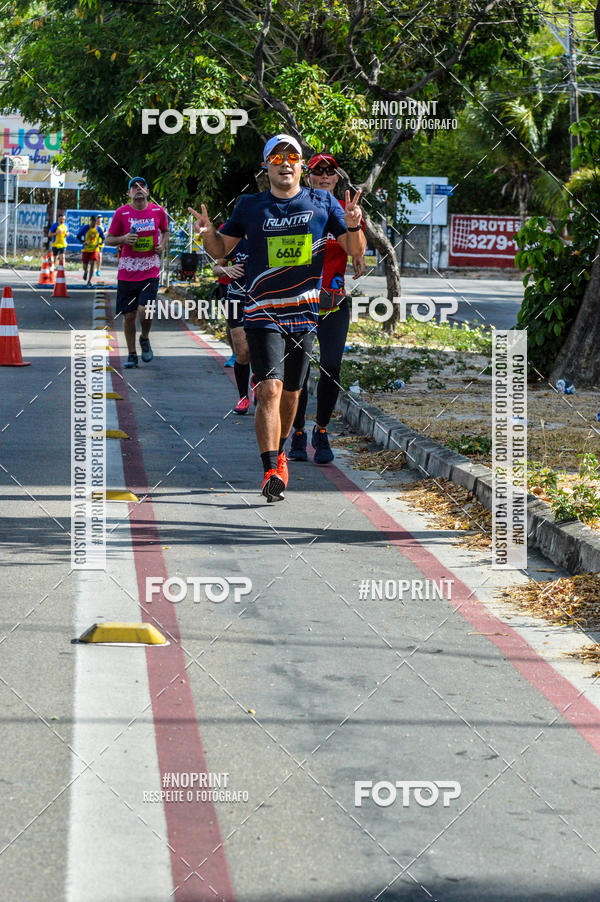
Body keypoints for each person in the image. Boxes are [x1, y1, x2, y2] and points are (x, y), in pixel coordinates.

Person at [189, 133, 365, 502]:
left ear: (301, 164)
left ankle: (282, 451)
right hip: (262, 311)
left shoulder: (322, 201)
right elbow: (222, 249)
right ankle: (271, 467)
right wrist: (207, 235)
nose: (286, 162)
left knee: (291, 394)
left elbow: (353, 250)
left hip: (304, 313)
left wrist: (352, 224)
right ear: (266, 165)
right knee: (268, 388)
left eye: (293, 157)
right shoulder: (250, 206)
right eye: (277, 157)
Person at [288, 153, 365, 464]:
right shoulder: (296, 207)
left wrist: (354, 226)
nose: (323, 176)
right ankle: (297, 433)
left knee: (331, 368)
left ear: (336, 177)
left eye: (329, 171)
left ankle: (321, 431)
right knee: (299, 373)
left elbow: (355, 249)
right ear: (308, 176)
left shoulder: (345, 211)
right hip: (298, 304)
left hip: (334, 304)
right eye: (317, 171)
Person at [105, 176, 169, 368]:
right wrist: (123, 239)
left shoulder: (158, 211)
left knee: (145, 310)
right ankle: (132, 354)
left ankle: (145, 337)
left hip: (150, 269)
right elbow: (109, 239)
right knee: (129, 315)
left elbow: (165, 231)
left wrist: (162, 246)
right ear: (129, 193)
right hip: (127, 271)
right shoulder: (121, 213)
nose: (138, 189)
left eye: (142, 186)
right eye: (134, 187)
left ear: (147, 191)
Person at [213, 236, 251, 413]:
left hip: (263, 301)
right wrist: (228, 270)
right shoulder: (234, 241)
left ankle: (259, 382)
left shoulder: (269, 237)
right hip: (236, 300)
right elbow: (216, 268)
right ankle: (243, 397)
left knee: (260, 350)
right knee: (242, 351)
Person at [76, 215, 105, 286]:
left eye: (95, 223)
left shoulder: (98, 229)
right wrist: (83, 241)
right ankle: (85, 271)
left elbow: (103, 237)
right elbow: (78, 236)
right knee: (84, 264)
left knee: (92, 264)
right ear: (90, 221)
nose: (94, 224)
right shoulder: (86, 228)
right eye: (93, 223)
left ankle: (89, 281)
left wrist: (100, 243)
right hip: (86, 249)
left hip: (95, 249)